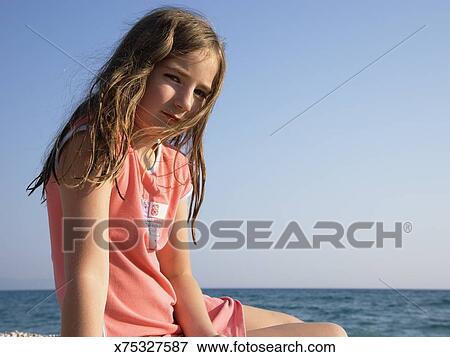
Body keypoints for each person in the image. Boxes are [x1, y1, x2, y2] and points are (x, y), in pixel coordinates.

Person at [27, 6, 347, 337]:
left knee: (296, 325)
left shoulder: (176, 166)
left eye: (200, 92)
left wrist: (207, 341)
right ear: (139, 67)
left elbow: (178, 274)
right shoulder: (95, 144)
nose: (185, 102)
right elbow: (87, 272)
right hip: (137, 330)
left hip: (174, 311)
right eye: (174, 78)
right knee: (330, 338)